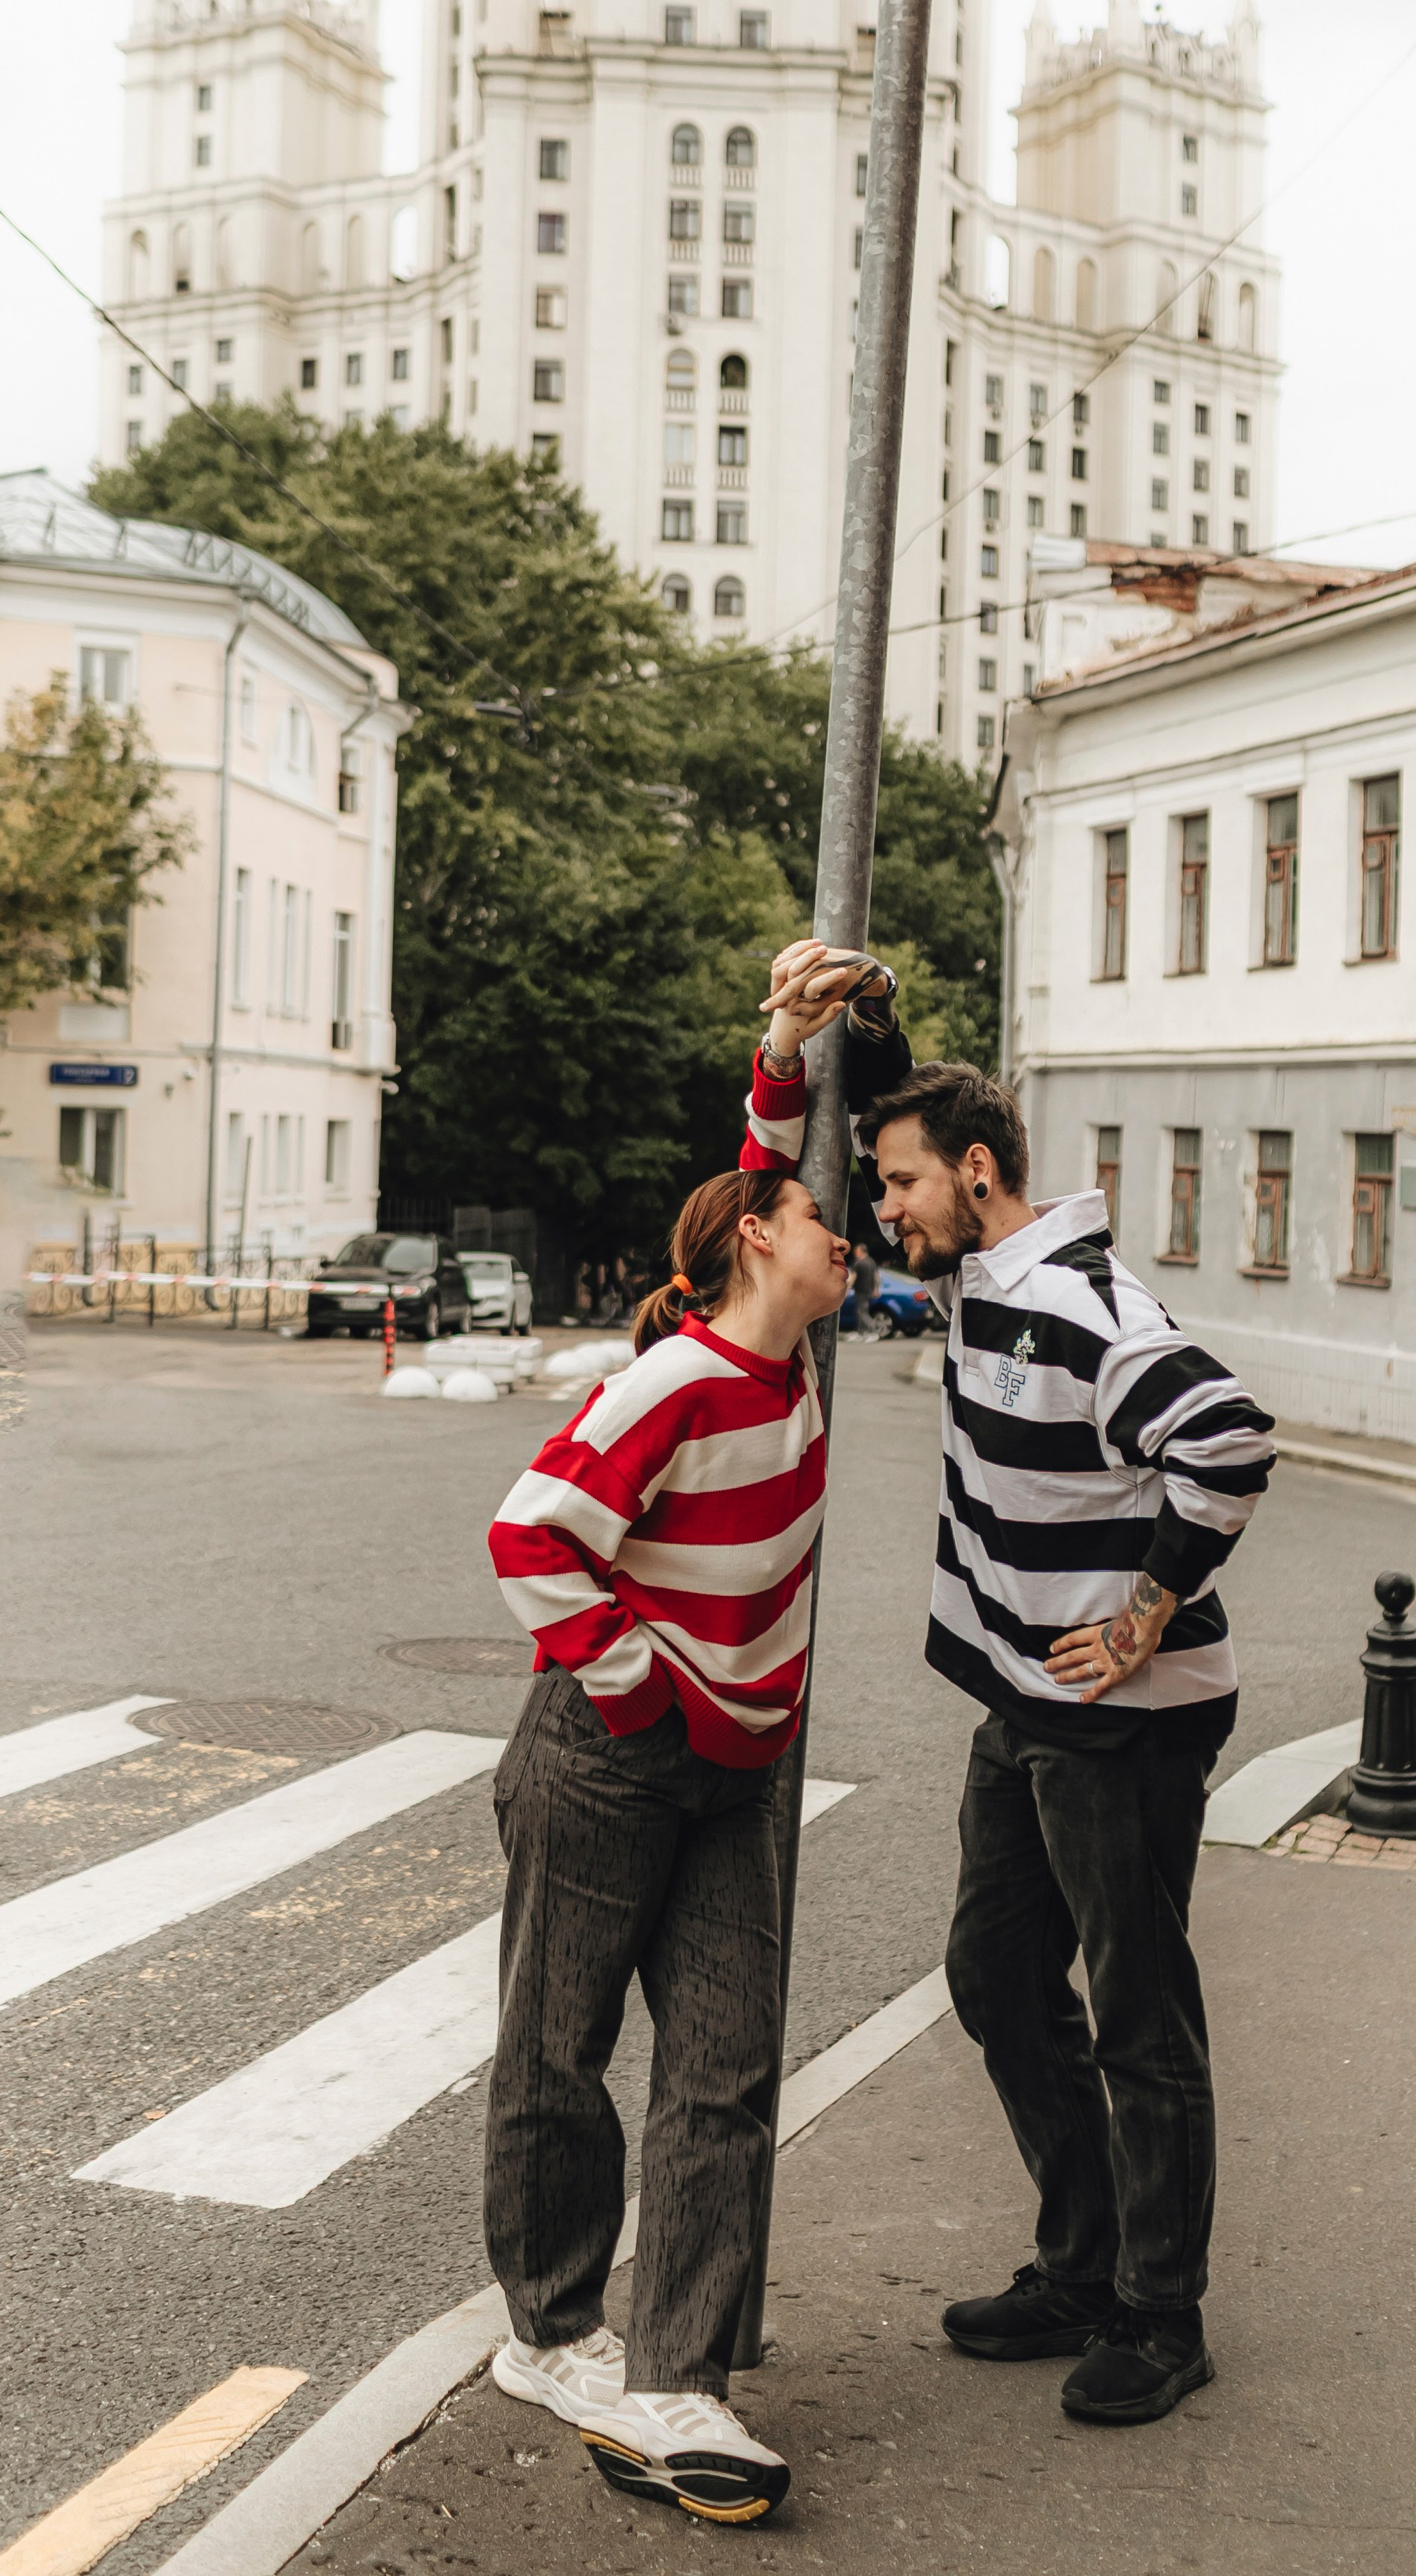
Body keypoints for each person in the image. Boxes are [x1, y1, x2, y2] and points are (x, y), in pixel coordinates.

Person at [750, 941, 1274, 2429]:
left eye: (901, 1185)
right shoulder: (988, 1274)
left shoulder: (1082, 1309)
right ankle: (1083, 2257)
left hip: (1122, 1723)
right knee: (994, 1978)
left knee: (1138, 2012)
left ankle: (1160, 2317)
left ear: (976, 1176)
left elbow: (1229, 1439)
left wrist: (1147, 1613)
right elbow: (897, 1108)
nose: (879, 1208)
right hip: (1028, 1710)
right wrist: (850, 1024)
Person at [480, 953, 903, 2526]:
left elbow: (769, 1153)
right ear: (755, 1248)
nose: (840, 1233)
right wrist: (640, 1686)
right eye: (816, 1221)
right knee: (559, 2052)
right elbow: (531, 1539)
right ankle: (549, 2329)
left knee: (722, 2071)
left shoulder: (800, 1355)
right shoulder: (675, 1377)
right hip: (608, 1756)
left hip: (733, 1776)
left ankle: (678, 2382)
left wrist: (794, 1042)